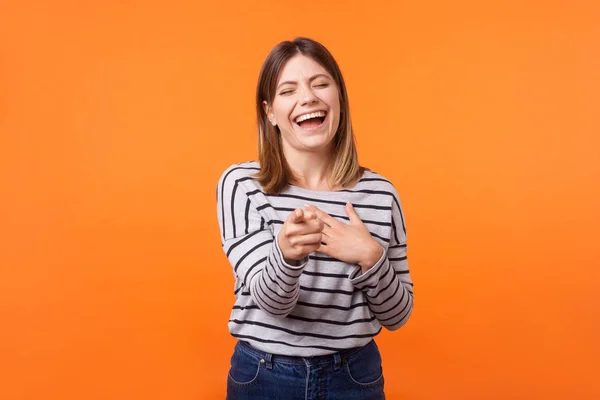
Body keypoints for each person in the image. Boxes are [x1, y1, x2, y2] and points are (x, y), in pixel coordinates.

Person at [216, 37, 414, 400]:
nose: (308, 97)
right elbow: (274, 304)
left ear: (339, 98)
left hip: (355, 377)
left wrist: (369, 257)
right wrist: (287, 255)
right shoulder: (243, 185)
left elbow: (398, 315)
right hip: (265, 376)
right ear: (270, 113)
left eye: (320, 83)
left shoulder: (381, 194)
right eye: (288, 90)